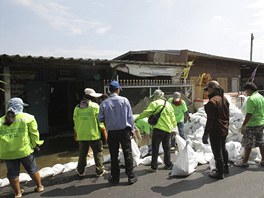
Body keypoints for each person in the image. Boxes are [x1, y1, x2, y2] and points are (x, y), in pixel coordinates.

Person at [0, 97, 44, 198]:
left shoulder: (0, 121)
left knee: (12, 173)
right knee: (32, 168)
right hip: (24, 150)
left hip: (7, 153)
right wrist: (35, 145)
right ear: (20, 106)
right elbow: (34, 134)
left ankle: (18, 193)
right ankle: (40, 186)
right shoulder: (28, 117)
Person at [98, 80, 137, 185]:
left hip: (112, 132)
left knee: (114, 155)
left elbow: (100, 119)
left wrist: (110, 119)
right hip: (124, 131)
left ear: (110, 90)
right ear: (118, 89)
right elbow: (130, 117)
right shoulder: (124, 100)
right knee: (127, 153)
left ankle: (115, 177)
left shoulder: (104, 103)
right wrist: (132, 129)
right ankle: (131, 177)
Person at [135, 89, 176, 172]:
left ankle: (154, 167)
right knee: (166, 147)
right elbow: (173, 118)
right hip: (168, 129)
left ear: (156, 96)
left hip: (158, 129)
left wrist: (138, 118)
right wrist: (174, 128)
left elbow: (147, 113)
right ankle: (168, 164)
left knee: (155, 148)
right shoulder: (168, 104)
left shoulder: (154, 103)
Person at [73, 88, 108, 177]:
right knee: (98, 152)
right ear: (91, 97)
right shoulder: (95, 106)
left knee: (82, 154)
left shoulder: (77, 108)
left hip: (81, 135)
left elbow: (75, 122)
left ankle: (80, 171)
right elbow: (100, 122)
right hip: (94, 135)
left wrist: (76, 134)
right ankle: (99, 170)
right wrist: (104, 132)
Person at [202, 80, 229, 179]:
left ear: (212, 88)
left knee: (217, 153)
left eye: (208, 89)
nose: (207, 91)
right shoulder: (224, 99)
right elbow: (227, 115)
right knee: (223, 149)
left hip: (216, 130)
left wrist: (206, 134)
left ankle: (219, 172)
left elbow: (210, 120)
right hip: (224, 129)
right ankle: (225, 168)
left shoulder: (212, 102)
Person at [235, 82, 264, 167]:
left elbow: (249, 114)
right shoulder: (261, 97)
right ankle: (263, 160)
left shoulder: (251, 99)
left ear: (249, 89)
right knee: (261, 142)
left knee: (248, 143)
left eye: (246, 91)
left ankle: (244, 162)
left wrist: (244, 125)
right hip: (261, 123)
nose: (245, 93)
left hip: (252, 124)